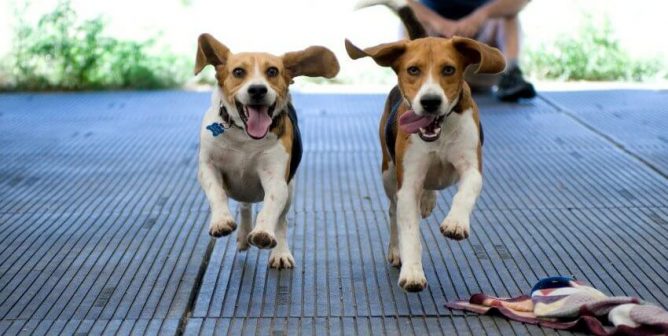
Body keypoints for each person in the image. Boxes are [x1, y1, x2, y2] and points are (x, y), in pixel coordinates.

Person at [407, 0, 536, 102]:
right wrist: (437, 22)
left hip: (482, 62)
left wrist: (481, 15)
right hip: (434, 56)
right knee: (408, 18)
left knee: (508, 14)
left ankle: (510, 74)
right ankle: (411, 81)